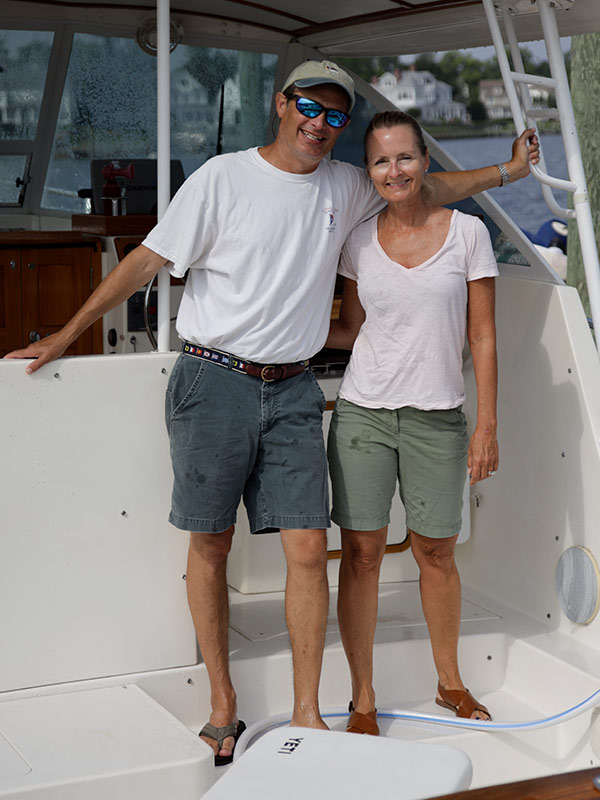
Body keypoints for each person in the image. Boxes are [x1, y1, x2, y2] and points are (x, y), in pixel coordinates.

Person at [5, 61, 537, 762]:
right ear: (283, 105)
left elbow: (427, 185)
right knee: (212, 542)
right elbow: (144, 261)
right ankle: (224, 704)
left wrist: (505, 172)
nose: (320, 124)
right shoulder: (222, 178)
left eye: (336, 117)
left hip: (291, 391)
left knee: (311, 549)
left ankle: (309, 714)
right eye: (309, 108)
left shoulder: (348, 186)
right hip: (213, 379)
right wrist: (68, 335)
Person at [326, 110, 500, 734]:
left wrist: (485, 425)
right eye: (380, 160)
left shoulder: (468, 235)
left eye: (404, 157)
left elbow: (482, 335)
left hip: (438, 419)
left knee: (435, 552)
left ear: (425, 161)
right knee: (363, 555)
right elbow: (347, 328)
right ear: (368, 171)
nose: (393, 170)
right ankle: (363, 697)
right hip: (362, 414)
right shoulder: (357, 240)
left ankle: (450, 682)